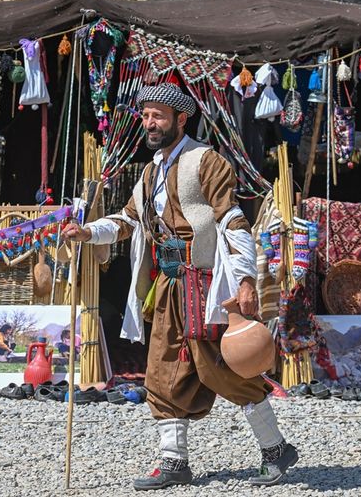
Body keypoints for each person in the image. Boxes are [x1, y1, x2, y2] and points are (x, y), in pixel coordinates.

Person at [64, 82, 298, 490]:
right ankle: (174, 462)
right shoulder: (150, 170)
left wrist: (244, 280)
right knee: (161, 370)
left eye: (158, 116)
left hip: (207, 285)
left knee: (221, 367)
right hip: (169, 286)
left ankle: (276, 448)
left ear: (180, 119)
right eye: (146, 116)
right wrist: (87, 232)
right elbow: (127, 221)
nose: (149, 123)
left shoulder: (206, 161)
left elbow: (232, 221)